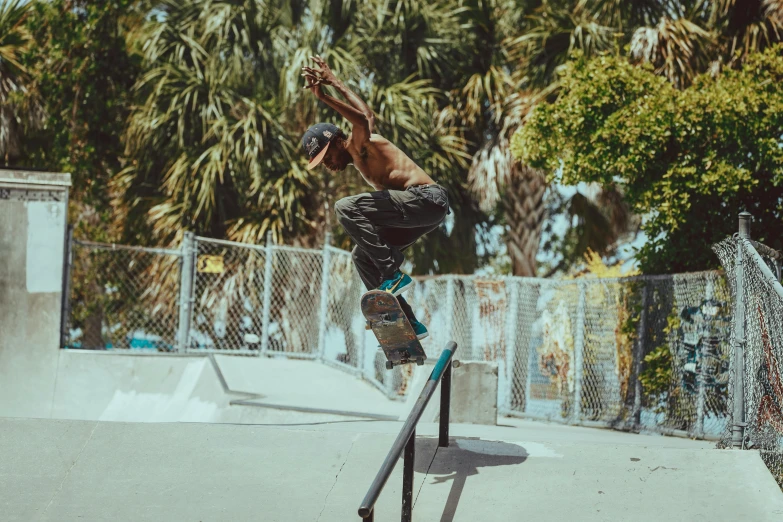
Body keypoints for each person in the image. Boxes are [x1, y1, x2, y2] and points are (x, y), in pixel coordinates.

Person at [300, 56, 449, 340]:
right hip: (419, 211)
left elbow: (359, 120)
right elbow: (366, 114)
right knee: (361, 255)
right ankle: (406, 323)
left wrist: (325, 94)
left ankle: (393, 273)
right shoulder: (361, 148)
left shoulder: (360, 145)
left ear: (335, 142)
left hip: (427, 199)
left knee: (344, 207)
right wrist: (335, 82)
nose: (328, 165)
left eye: (327, 157)